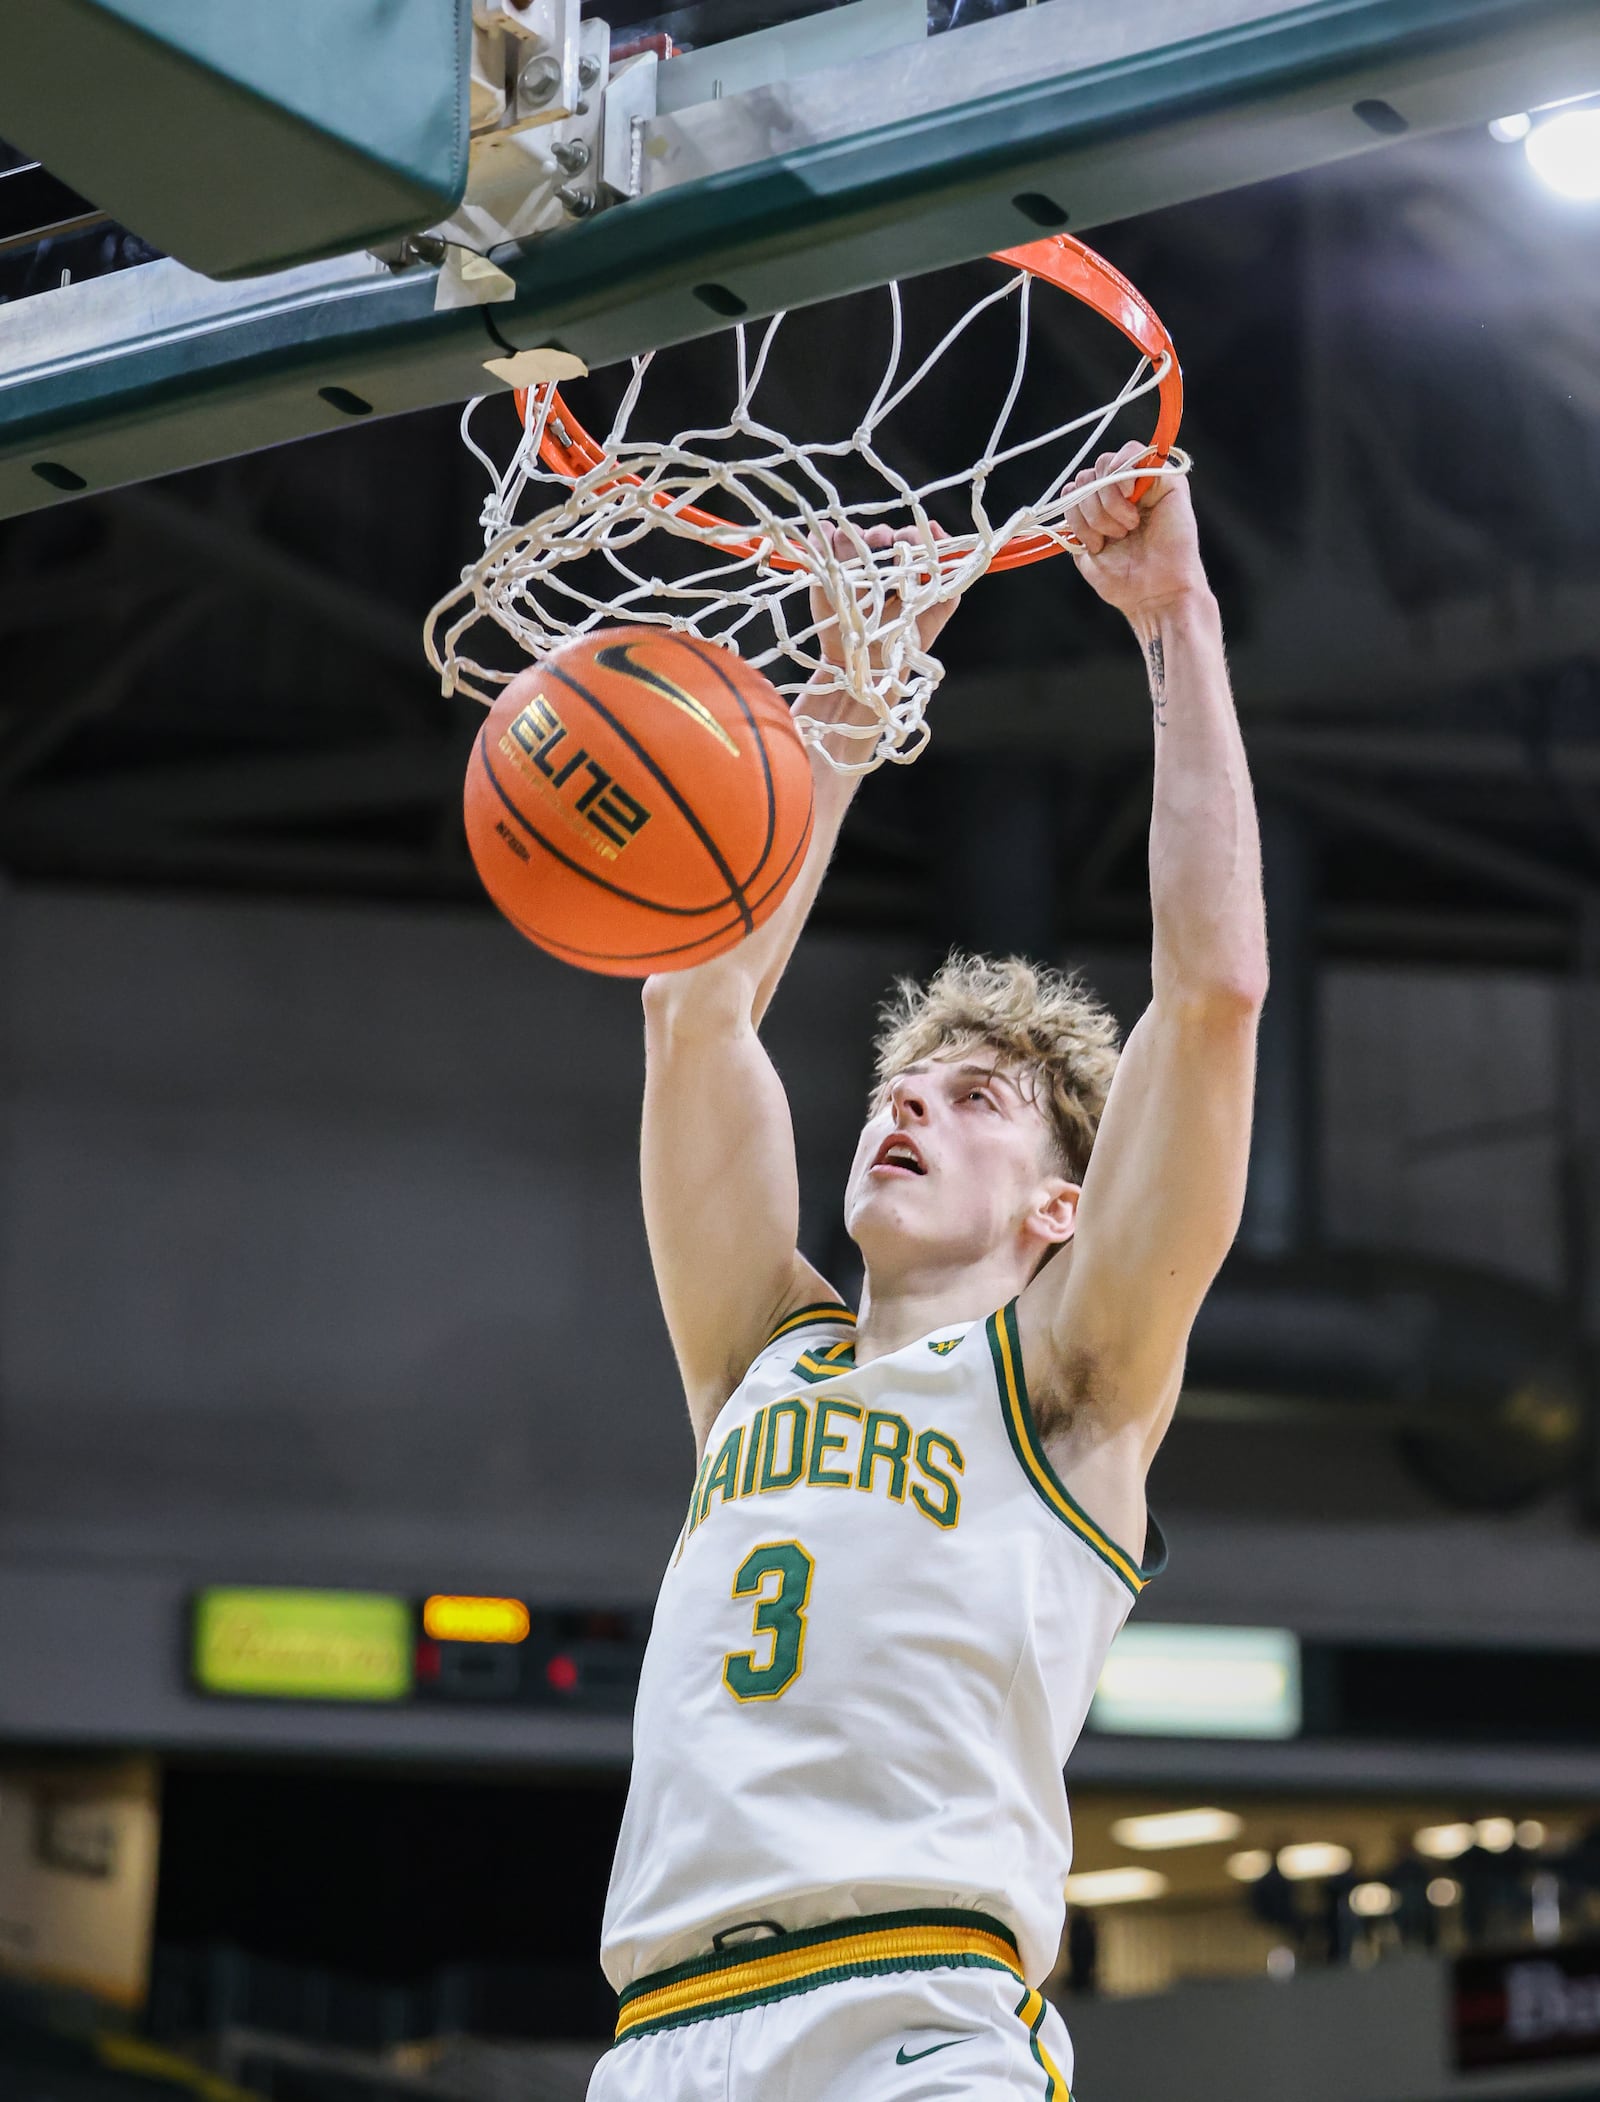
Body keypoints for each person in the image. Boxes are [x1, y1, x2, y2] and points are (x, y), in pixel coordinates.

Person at [586, 440, 1268, 2100]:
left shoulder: (1071, 1380)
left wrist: (1177, 621)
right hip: (662, 2033)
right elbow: (694, 1009)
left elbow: (1216, 998)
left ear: (1059, 1206)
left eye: (976, 1103)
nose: (905, 1105)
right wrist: (846, 704)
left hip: (916, 2011)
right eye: (898, 1086)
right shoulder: (757, 1347)